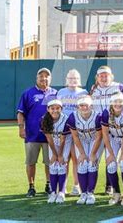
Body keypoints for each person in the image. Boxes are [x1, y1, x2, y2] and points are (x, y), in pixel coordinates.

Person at [16, 67, 57, 197]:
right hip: (32, 134)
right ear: (37, 78)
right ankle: (31, 187)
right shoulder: (28, 93)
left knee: (49, 162)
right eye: (41, 76)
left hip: (50, 135)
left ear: (50, 78)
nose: (44, 78)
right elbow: (20, 113)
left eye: (46, 76)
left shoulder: (55, 93)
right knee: (30, 162)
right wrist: (21, 128)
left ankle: (49, 184)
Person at [89, 65, 123, 195]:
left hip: (117, 129)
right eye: (101, 75)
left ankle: (111, 186)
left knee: (117, 158)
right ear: (97, 78)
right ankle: (89, 188)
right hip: (99, 130)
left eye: (106, 75)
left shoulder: (119, 87)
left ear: (112, 76)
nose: (104, 78)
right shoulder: (94, 89)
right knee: (96, 157)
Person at [66, 96, 104, 205]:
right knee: (82, 164)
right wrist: (82, 153)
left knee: (92, 163)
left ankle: (90, 192)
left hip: (95, 140)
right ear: (78, 107)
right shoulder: (73, 117)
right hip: (81, 140)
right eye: (81, 105)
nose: (84, 107)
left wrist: (92, 153)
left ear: (91, 106)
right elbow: (75, 137)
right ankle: (83, 193)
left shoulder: (98, 116)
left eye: (86, 105)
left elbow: (99, 136)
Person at [56, 69, 88, 196]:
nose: (73, 80)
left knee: (76, 159)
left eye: (75, 78)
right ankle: (62, 187)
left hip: (77, 131)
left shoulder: (83, 92)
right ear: (66, 80)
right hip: (62, 130)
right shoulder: (61, 92)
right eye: (70, 78)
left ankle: (76, 185)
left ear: (79, 80)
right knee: (64, 159)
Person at [101, 92, 123, 206]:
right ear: (111, 103)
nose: (118, 104)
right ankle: (116, 192)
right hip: (113, 138)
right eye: (115, 101)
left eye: (120, 101)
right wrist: (110, 154)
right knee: (110, 165)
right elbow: (105, 134)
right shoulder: (106, 113)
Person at [40, 99, 71, 204]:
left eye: (57, 108)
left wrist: (60, 155)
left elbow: (62, 139)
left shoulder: (66, 119)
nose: (55, 110)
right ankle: (53, 192)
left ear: (61, 109)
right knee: (53, 165)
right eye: (52, 108)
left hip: (65, 143)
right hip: (52, 143)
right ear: (48, 109)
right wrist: (54, 154)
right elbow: (49, 138)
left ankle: (61, 192)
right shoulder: (44, 119)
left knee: (62, 164)